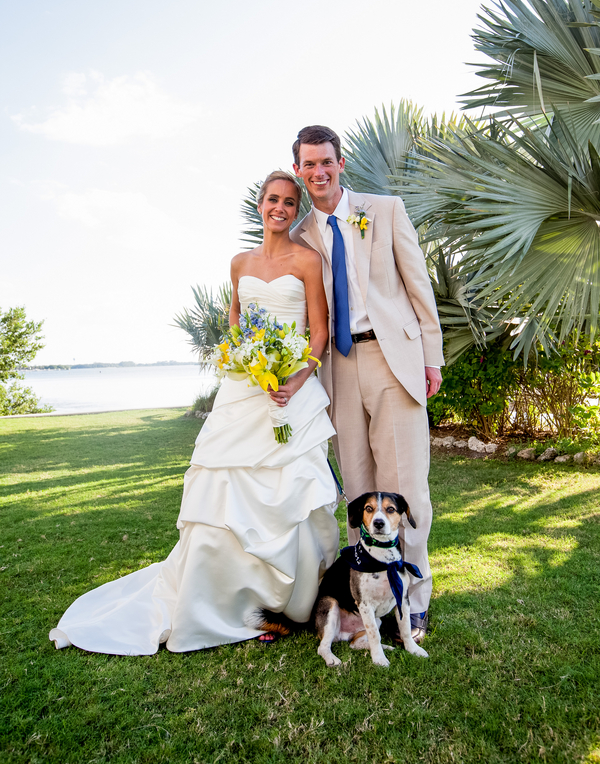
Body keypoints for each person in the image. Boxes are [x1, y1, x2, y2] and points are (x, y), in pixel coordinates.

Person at [49, 171, 339, 655]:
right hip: (243, 390)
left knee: (291, 492)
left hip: (293, 394)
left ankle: (289, 600)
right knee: (222, 491)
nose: (281, 208)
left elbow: (319, 332)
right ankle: (219, 599)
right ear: (260, 205)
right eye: (273, 199)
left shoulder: (308, 260)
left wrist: (295, 378)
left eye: (290, 202)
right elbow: (235, 319)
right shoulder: (239, 262)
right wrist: (244, 357)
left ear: (296, 209)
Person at [290, 125, 443, 643]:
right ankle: (368, 601)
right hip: (338, 366)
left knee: (406, 487)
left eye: (326, 162)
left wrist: (432, 357)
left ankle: (413, 600)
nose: (319, 172)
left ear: (340, 162)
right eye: (308, 165)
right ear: (299, 170)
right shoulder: (300, 236)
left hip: (392, 355)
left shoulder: (385, 209)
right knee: (357, 491)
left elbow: (417, 285)